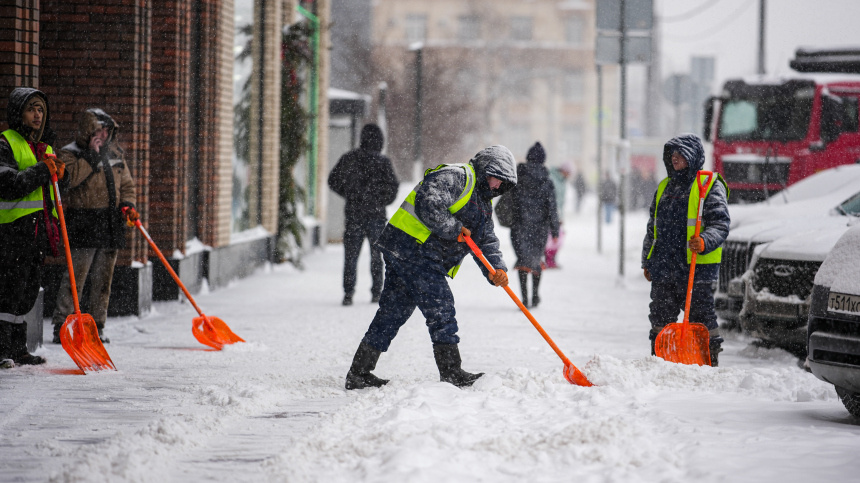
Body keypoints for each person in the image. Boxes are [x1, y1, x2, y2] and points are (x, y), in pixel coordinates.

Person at [344, 145, 517, 389]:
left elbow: (485, 240)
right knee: (441, 307)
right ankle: (451, 371)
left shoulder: (482, 203)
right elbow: (428, 203)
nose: (497, 186)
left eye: (502, 183)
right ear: (484, 168)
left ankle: (359, 372)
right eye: (495, 178)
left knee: (393, 312)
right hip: (413, 248)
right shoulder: (459, 177)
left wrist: (496, 270)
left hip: (411, 252)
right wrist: (455, 229)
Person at [641, 134, 730, 366]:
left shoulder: (708, 185)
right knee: (660, 313)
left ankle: (709, 358)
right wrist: (647, 261)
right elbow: (653, 229)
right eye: (672, 154)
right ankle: (660, 358)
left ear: (692, 157)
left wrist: (704, 240)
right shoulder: (664, 187)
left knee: (701, 315)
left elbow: (720, 223)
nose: (674, 158)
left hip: (696, 267)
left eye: (680, 154)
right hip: (664, 265)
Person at [51, 108, 138, 344]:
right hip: (84, 221)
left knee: (103, 279)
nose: (104, 135)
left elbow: (127, 184)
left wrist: (128, 204)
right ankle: (63, 323)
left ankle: (97, 325)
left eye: (107, 131)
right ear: (89, 131)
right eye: (99, 130)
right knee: (76, 276)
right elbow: (70, 180)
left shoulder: (115, 153)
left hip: (110, 222)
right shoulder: (70, 153)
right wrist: (91, 156)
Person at [0, 87, 65, 368]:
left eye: (40, 109)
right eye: (31, 109)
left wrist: (63, 175)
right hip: (12, 231)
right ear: (18, 113)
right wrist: (42, 171)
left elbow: (51, 193)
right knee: (8, 293)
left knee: (26, 293)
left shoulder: (45, 148)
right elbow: (8, 184)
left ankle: (18, 348)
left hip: (38, 233)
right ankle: (3, 349)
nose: (37, 115)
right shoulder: (6, 142)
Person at [328, 124, 399, 306]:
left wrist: (349, 193)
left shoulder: (349, 158)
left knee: (351, 256)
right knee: (377, 256)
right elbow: (393, 186)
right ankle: (376, 293)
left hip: (354, 215)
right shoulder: (383, 162)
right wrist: (381, 200)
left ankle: (348, 293)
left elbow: (332, 180)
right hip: (376, 216)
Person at [509, 142, 560, 307]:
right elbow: (552, 206)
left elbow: (509, 202)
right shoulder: (547, 180)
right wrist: (555, 229)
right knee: (536, 259)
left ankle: (524, 298)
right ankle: (535, 295)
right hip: (539, 228)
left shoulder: (517, 177)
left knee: (523, 260)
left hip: (520, 226)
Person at [545, 162, 571, 269]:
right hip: (552, 213)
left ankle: (551, 260)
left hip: (557, 213)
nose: (569, 175)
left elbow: (561, 201)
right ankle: (549, 260)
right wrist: (556, 215)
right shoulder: (553, 179)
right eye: (568, 172)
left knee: (557, 238)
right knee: (552, 239)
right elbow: (554, 200)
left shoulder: (562, 181)